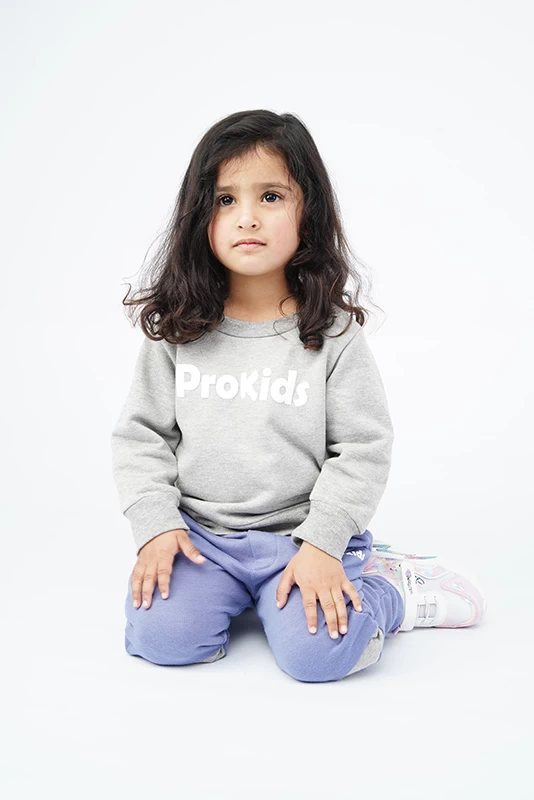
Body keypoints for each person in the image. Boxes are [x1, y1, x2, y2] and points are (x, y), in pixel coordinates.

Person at [110, 109, 487, 683]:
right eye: (225, 200)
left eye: (271, 197)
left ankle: (389, 590)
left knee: (319, 657)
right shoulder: (178, 330)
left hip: (299, 536)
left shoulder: (333, 335)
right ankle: (231, 595)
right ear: (199, 215)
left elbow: (362, 448)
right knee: (163, 639)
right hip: (201, 537)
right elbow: (141, 436)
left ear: (307, 210)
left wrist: (323, 543)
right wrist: (158, 527)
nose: (247, 218)